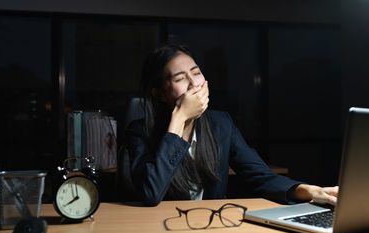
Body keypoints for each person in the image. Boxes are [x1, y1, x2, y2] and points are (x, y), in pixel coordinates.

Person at [121, 43, 338, 206]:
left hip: (210, 230)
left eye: (196, 73)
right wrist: (179, 118)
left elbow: (260, 176)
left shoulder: (220, 124)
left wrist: (309, 191)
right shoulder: (139, 132)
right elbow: (150, 194)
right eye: (179, 79)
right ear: (159, 94)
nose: (194, 84)